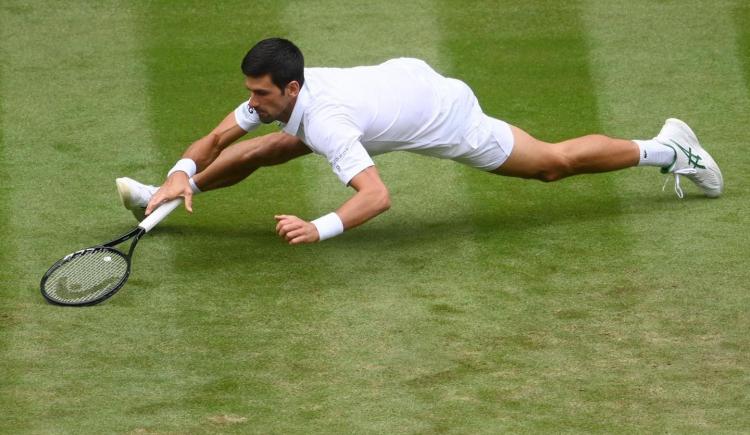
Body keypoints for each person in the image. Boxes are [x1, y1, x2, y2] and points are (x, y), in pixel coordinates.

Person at [117, 37, 723, 244]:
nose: (253, 103)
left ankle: (672, 149)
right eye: (250, 93)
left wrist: (318, 225)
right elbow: (221, 135)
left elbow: (376, 197)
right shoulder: (284, 97)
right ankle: (167, 196)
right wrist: (179, 169)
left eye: (262, 95)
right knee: (268, 145)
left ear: (292, 87)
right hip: (395, 87)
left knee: (551, 165)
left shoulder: (325, 119)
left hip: (442, 114)